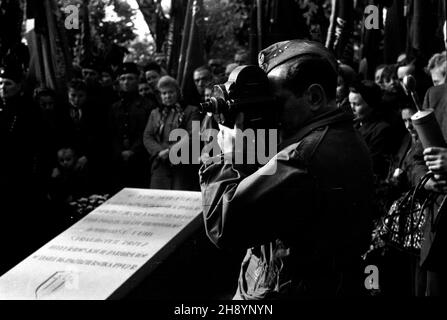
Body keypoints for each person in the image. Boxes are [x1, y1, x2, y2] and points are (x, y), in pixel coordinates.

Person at [199, 40, 375, 299]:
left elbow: (221, 224)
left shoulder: (301, 156)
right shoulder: (339, 133)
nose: (270, 111)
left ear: (314, 97)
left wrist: (224, 153)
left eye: (276, 102)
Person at [143, 75, 201, 190]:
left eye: (171, 92)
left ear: (178, 92)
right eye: (164, 93)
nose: (168, 96)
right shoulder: (155, 113)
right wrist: (159, 152)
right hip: (160, 165)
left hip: (182, 165)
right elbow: (147, 136)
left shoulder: (191, 111)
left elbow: (193, 135)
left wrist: (170, 151)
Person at [108, 62, 151, 191]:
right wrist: (119, 151)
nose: (126, 82)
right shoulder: (114, 107)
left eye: (130, 78)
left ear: (138, 80)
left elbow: (147, 131)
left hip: (140, 159)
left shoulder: (148, 105)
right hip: (118, 160)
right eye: (123, 79)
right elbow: (110, 133)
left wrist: (133, 151)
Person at [349, 81, 393, 180]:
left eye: (356, 104)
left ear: (371, 105)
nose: (352, 109)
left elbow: (371, 164)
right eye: (350, 103)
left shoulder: (381, 130)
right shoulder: (354, 125)